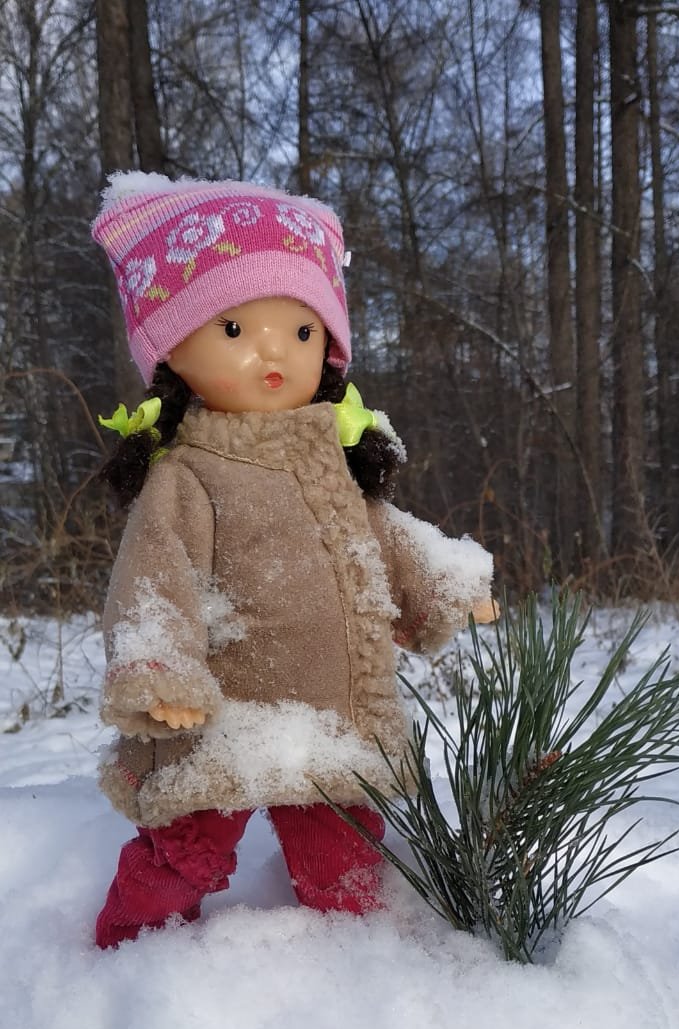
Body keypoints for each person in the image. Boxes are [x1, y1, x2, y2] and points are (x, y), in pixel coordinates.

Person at [91, 172, 494, 949]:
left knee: (344, 852)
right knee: (186, 847)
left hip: (327, 712)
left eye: (303, 331)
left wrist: (446, 583)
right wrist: (161, 671)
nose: (275, 350)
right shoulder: (188, 473)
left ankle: (354, 970)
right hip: (224, 715)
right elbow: (153, 578)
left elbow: (381, 538)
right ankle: (134, 947)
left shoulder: (328, 461)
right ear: (171, 348)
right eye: (235, 330)